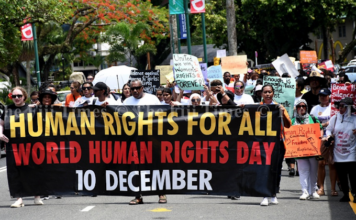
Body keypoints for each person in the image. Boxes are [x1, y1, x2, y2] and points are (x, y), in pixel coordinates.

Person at [0, 87, 44, 207]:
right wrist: (0, 133)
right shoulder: (7, 109)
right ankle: (19, 198)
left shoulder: (32, 109)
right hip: (13, 145)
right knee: (14, 171)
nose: (17, 98)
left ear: (24, 96)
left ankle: (37, 196)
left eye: (19, 96)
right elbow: (1, 124)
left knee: (33, 169)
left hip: (31, 145)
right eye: (14, 96)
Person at [123, 79, 164, 205]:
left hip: (152, 139)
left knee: (155, 166)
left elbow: (162, 116)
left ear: (142, 88)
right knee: (136, 168)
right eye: (132, 89)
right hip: (135, 141)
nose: (135, 91)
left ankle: (161, 193)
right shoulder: (127, 101)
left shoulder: (152, 99)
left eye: (137, 88)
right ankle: (138, 196)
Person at [260, 84, 292, 206]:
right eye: (265, 92)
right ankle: (265, 194)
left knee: (276, 170)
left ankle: (273, 193)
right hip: (263, 144)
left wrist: (283, 113)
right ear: (262, 94)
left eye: (269, 92)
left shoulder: (279, 107)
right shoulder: (257, 108)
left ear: (273, 93)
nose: (267, 94)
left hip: (277, 144)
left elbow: (288, 125)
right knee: (264, 170)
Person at [325, 97, 356, 203]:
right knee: (341, 174)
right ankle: (346, 194)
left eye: (343, 106)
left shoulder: (354, 119)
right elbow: (328, 130)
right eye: (339, 106)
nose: (340, 108)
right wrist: (329, 136)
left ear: (349, 108)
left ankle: (355, 194)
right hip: (338, 151)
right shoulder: (335, 118)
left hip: (351, 151)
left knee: (353, 174)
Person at [309, 88, 338, 196]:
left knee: (332, 163)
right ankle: (321, 188)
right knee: (321, 163)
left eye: (325, 95)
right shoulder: (315, 109)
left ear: (329, 96)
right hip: (320, 139)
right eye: (321, 95)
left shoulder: (333, 108)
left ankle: (333, 189)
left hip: (332, 139)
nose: (323, 97)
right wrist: (322, 125)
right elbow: (310, 124)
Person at [293, 99, 322, 200]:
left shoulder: (312, 118)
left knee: (313, 171)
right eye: (299, 106)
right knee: (303, 170)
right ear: (296, 108)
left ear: (306, 107)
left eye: (303, 106)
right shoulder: (292, 121)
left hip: (312, 150)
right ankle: (304, 191)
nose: (301, 108)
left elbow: (320, 128)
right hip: (299, 151)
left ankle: (313, 191)